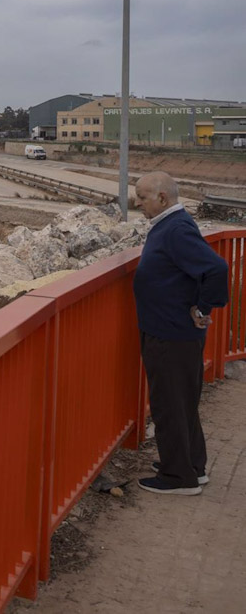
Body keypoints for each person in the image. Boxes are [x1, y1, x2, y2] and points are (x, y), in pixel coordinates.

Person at [132, 171, 228, 495]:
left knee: (168, 404)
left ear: (162, 198)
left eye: (142, 197)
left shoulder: (176, 229)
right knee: (183, 403)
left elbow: (216, 269)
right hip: (173, 330)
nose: (136, 202)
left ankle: (177, 478)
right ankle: (192, 466)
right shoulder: (172, 225)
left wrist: (203, 309)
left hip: (170, 333)